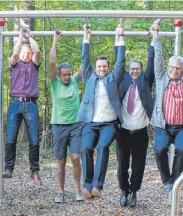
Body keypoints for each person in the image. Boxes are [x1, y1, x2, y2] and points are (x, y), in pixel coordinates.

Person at [78, 24, 126, 199]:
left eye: (104, 66)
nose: (101, 69)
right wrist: (86, 36)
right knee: (86, 147)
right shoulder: (89, 78)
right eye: (99, 66)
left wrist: (120, 37)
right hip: (91, 123)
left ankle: (98, 185)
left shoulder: (114, 78)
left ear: (108, 67)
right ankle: (87, 184)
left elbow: (121, 61)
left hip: (109, 123)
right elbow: (85, 60)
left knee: (103, 146)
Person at [152, 21, 183, 192]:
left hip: (182, 128)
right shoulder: (161, 77)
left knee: (182, 149)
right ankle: (166, 180)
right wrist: (156, 35)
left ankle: (175, 179)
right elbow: (158, 56)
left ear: (182, 69)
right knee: (159, 149)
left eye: (178, 68)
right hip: (163, 127)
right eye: (172, 67)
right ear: (168, 67)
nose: (175, 70)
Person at [115, 22, 156, 208]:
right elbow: (119, 61)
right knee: (122, 165)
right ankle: (124, 191)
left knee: (138, 166)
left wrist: (154, 38)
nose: (134, 71)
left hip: (140, 132)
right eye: (132, 69)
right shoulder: (122, 81)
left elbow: (151, 62)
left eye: (137, 69)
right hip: (123, 132)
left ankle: (134, 192)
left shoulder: (145, 82)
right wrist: (120, 36)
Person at [2, 28, 42, 185]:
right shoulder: (14, 64)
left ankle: (35, 171)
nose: (26, 55)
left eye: (28, 53)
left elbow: (37, 51)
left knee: (34, 139)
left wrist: (30, 36)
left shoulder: (34, 66)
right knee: (11, 137)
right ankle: (8, 168)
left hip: (31, 104)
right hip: (15, 104)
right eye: (24, 52)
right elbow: (14, 53)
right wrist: (20, 37)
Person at [49, 32, 83, 203]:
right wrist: (55, 39)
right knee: (60, 161)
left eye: (69, 74)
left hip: (75, 125)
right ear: (59, 75)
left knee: (76, 157)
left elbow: (85, 63)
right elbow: (52, 62)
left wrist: (86, 37)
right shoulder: (54, 83)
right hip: (59, 126)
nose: (67, 77)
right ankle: (61, 191)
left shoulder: (76, 81)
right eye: (64, 74)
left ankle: (78, 189)